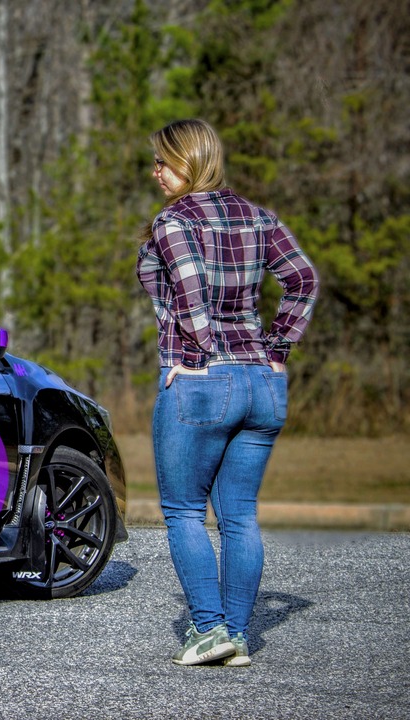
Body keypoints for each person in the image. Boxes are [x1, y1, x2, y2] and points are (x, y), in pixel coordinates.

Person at [136, 119, 319, 667]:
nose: (156, 171)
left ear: (191, 162)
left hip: (200, 380)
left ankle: (210, 628)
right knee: (239, 515)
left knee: (184, 511)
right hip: (262, 383)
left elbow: (189, 298)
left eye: (164, 161)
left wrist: (202, 354)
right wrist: (276, 349)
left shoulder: (174, 220)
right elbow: (303, 280)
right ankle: (235, 637)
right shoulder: (260, 217)